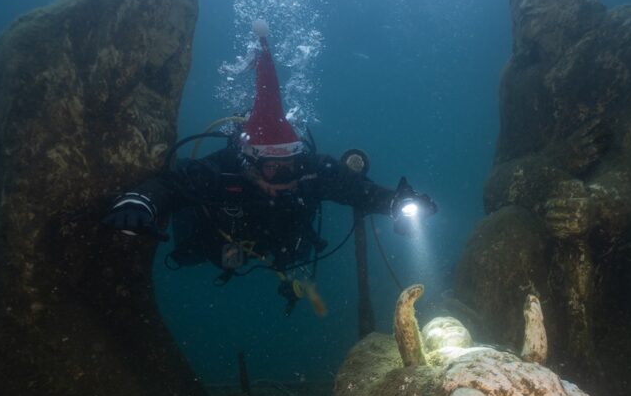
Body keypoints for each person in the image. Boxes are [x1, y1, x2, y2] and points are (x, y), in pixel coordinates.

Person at [103, 20, 436, 314]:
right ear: (250, 161)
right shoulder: (225, 170)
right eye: (273, 168)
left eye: (290, 166)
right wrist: (140, 201)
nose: (285, 176)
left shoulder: (311, 171)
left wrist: (397, 202)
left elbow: (356, 191)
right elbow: (172, 184)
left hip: (281, 251)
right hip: (218, 248)